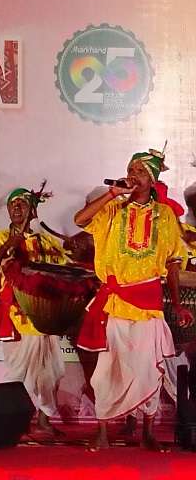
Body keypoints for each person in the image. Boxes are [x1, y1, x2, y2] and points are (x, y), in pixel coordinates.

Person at [73, 149, 194, 451]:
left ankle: (148, 433)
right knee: (108, 368)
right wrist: (112, 194)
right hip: (116, 303)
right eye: (130, 169)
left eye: (140, 171)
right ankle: (102, 432)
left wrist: (177, 304)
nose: (132, 175)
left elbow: (173, 263)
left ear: (152, 180)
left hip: (149, 303)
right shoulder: (113, 209)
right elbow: (80, 220)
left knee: (148, 369)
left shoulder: (165, 216)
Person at [0, 188, 68, 436]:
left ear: (33, 210)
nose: (17, 208)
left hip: (45, 316)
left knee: (50, 370)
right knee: (18, 372)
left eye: (22, 203)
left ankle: (43, 419)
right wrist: (11, 244)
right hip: (16, 315)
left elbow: (63, 270)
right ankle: (15, 420)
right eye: (13, 204)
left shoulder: (46, 241)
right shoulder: (2, 237)